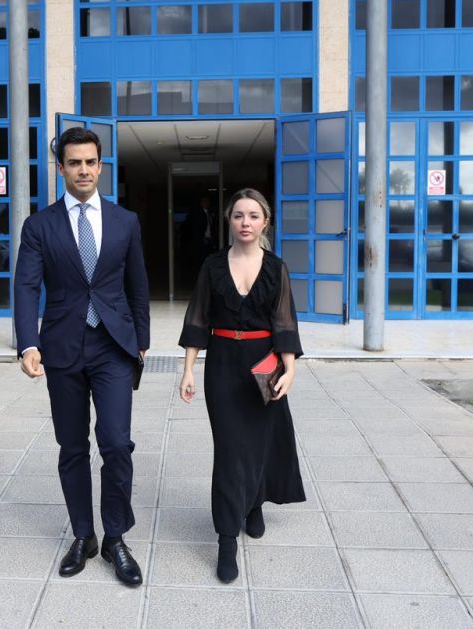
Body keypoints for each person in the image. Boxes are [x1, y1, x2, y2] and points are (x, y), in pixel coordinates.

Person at [13, 126, 151, 587]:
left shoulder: (124, 221)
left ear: (100, 165)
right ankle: (83, 535)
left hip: (113, 346)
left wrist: (142, 340)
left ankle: (115, 538)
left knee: (116, 443)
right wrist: (28, 343)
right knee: (72, 447)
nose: (84, 170)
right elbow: (27, 286)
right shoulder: (39, 226)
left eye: (91, 162)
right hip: (63, 348)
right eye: (75, 163)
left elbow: (137, 285)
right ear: (61, 168)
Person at [177, 187, 306, 583]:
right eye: (238, 215)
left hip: (263, 365)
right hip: (223, 366)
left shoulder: (276, 267)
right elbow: (198, 318)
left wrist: (290, 369)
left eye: (253, 216)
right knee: (231, 450)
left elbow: (284, 321)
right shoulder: (213, 266)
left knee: (261, 442)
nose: (245, 222)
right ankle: (227, 538)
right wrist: (188, 369)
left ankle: (254, 505)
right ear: (229, 221)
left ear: (265, 222)